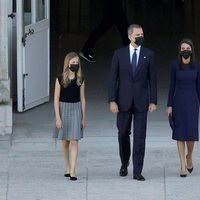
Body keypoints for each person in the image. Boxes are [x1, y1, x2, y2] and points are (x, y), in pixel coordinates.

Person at [108, 24, 157, 181]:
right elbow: (112, 79)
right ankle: (124, 162)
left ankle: (137, 170)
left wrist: (153, 101)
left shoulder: (149, 54)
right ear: (130, 36)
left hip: (142, 101)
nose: (141, 36)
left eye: (142, 34)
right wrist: (112, 100)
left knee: (140, 136)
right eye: (138, 34)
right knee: (123, 133)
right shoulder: (119, 54)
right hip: (123, 101)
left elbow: (153, 80)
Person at [166, 38, 200, 177]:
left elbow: (199, 87)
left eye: (187, 49)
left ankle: (189, 157)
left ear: (191, 50)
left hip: (192, 102)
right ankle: (182, 165)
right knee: (180, 134)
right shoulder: (174, 65)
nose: (185, 51)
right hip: (178, 101)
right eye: (182, 49)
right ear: (179, 51)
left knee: (191, 136)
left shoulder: (197, 66)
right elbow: (171, 86)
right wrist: (169, 105)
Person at [54, 52, 86, 181]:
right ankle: (67, 166)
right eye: (72, 63)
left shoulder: (81, 79)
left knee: (74, 140)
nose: (75, 65)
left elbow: (83, 99)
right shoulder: (60, 79)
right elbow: (56, 99)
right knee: (65, 141)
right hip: (63, 108)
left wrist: (84, 118)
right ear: (67, 64)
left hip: (76, 109)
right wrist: (58, 117)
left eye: (77, 63)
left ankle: (73, 170)